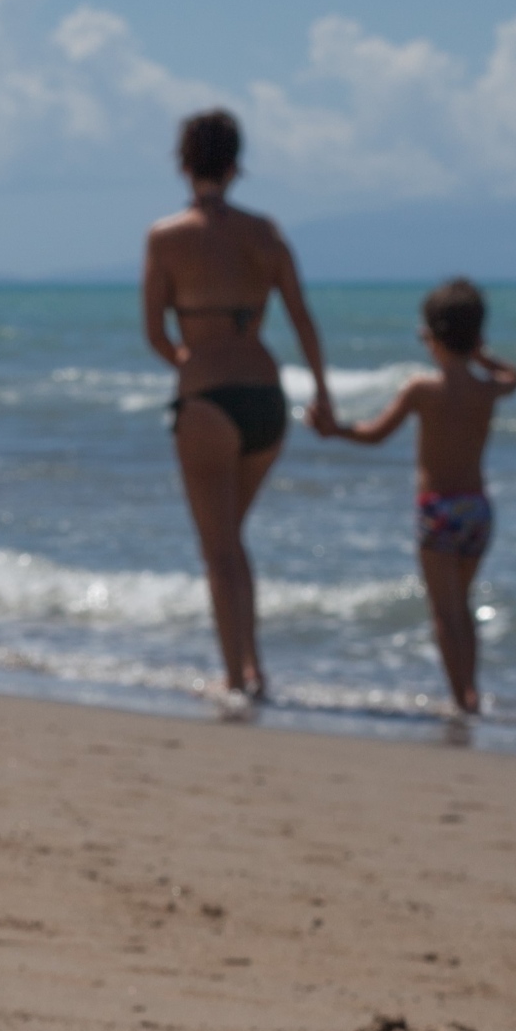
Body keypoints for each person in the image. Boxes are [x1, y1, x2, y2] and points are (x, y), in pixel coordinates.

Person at [142, 108, 331, 702]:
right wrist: (322, 393)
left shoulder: (167, 237)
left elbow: (153, 331)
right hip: (266, 399)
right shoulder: (265, 233)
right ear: (236, 163)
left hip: (207, 401)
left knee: (219, 547)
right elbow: (302, 319)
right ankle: (253, 666)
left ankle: (236, 677)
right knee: (233, 539)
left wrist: (189, 364)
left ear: (182, 161)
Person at [314, 279, 516, 716]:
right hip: (477, 510)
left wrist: (336, 430)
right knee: (462, 606)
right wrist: (481, 355)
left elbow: (375, 434)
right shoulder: (486, 389)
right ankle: (473, 691)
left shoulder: (422, 389)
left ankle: (460, 698)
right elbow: (513, 377)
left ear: (432, 336)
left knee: (443, 613)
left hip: (438, 509)